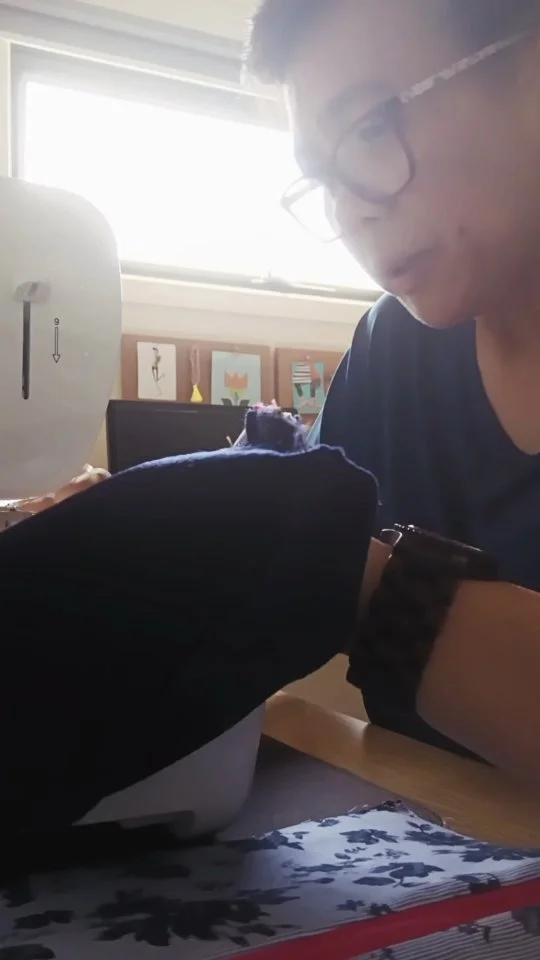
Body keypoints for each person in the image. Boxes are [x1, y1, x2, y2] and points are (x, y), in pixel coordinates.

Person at [246, 0, 540, 752]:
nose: (353, 212)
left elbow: (313, 547)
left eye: (371, 129)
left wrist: (335, 567)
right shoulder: (392, 346)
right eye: (324, 177)